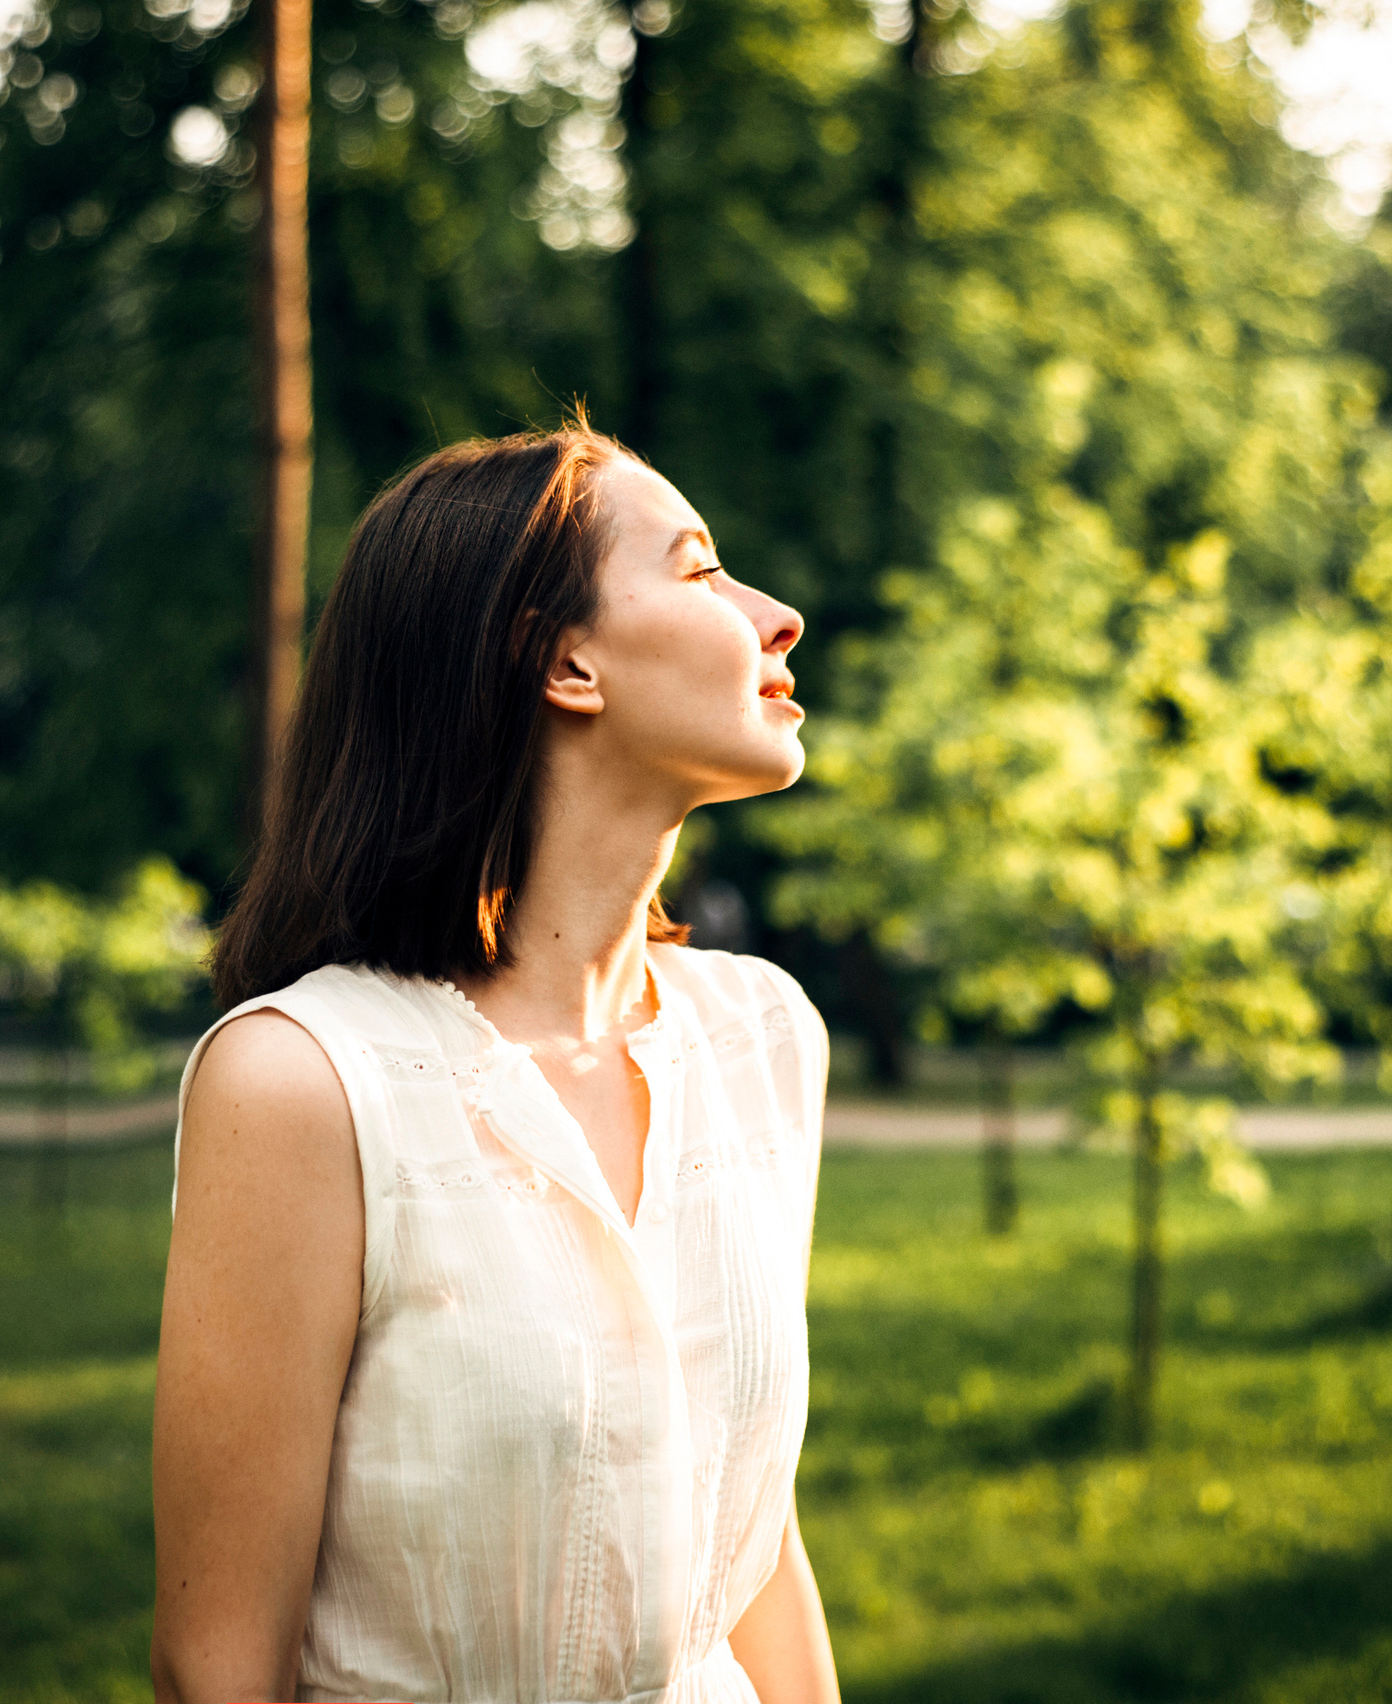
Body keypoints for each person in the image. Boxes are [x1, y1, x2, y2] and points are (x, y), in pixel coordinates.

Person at [151, 422, 840, 1704]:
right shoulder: (304, 1084)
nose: (778, 617)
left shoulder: (762, 1036)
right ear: (562, 660)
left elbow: (750, 1545)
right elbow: (218, 1667)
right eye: (701, 570)